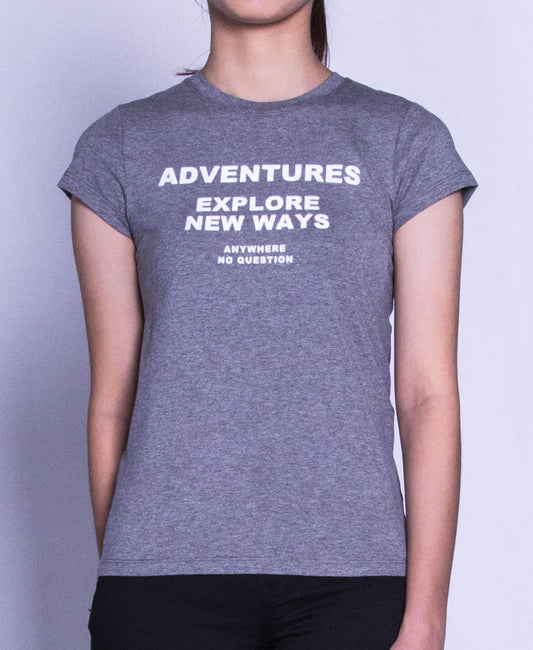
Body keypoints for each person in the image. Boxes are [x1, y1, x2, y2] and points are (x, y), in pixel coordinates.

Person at [57, 1, 478, 648]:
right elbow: (114, 396)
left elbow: (427, 395)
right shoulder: (119, 145)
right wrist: (125, 567)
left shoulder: (403, 139)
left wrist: (426, 615)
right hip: (160, 580)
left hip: (353, 575)